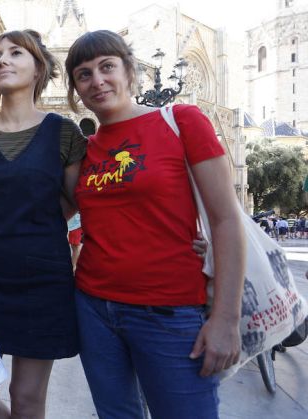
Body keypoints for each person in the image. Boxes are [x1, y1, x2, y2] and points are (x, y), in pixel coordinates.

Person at [64, 30, 245, 418]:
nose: (97, 80)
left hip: (171, 312)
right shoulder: (84, 150)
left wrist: (227, 319)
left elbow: (227, 218)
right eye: (83, 74)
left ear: (130, 72)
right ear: (75, 88)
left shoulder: (181, 120)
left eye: (107, 66)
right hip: (94, 310)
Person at [0, 29, 87, 418]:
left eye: (14, 53)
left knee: (27, 400)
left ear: (38, 67)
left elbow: (77, 201)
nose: (2, 61)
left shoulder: (64, 133)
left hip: (43, 282)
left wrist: (32, 221)